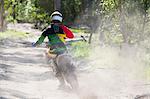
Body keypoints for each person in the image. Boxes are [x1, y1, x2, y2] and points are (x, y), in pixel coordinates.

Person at [33, 11, 74, 89]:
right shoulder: (63, 28)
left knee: (53, 65)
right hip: (64, 51)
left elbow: (40, 40)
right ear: (60, 19)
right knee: (70, 60)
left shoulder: (48, 30)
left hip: (54, 52)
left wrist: (35, 44)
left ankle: (62, 84)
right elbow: (71, 36)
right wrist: (64, 30)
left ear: (51, 19)